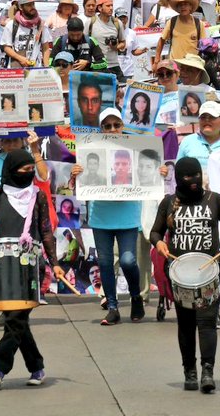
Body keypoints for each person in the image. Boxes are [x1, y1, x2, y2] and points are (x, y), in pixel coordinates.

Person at [0, 149, 64, 389]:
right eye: (24, 170)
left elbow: (46, 232)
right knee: (17, 319)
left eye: (32, 170)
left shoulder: (38, 196)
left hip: (31, 265)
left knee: (15, 318)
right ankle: (37, 366)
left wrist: (55, 263)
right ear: (11, 171)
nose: (29, 174)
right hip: (3, 265)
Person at [150, 157, 220, 392]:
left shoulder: (213, 199)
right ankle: (189, 370)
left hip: (209, 270)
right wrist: (159, 243)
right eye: (187, 177)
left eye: (196, 176)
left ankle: (208, 371)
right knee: (186, 323)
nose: (193, 181)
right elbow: (155, 232)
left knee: (207, 322)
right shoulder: (168, 202)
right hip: (180, 273)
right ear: (179, 179)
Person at [71, 109, 145, 326]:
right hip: (101, 215)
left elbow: (148, 176)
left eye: (116, 125)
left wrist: (158, 174)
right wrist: (76, 175)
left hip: (128, 215)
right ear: (101, 129)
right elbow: (79, 187)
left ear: (123, 126)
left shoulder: (135, 149)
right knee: (104, 262)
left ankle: (135, 297)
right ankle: (112, 307)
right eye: (107, 126)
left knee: (128, 260)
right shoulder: (90, 150)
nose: (112, 129)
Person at [176, 101, 220, 171]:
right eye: (203, 117)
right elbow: (178, 171)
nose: (207, 120)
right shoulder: (187, 141)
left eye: (212, 117)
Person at [0, 0, 52, 69]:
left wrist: (46, 67)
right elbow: (6, 47)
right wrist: (20, 59)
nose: (32, 7)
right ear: (21, 7)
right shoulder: (11, 25)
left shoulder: (41, 24)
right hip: (16, 68)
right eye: (29, 5)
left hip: (36, 68)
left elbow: (45, 47)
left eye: (33, 4)